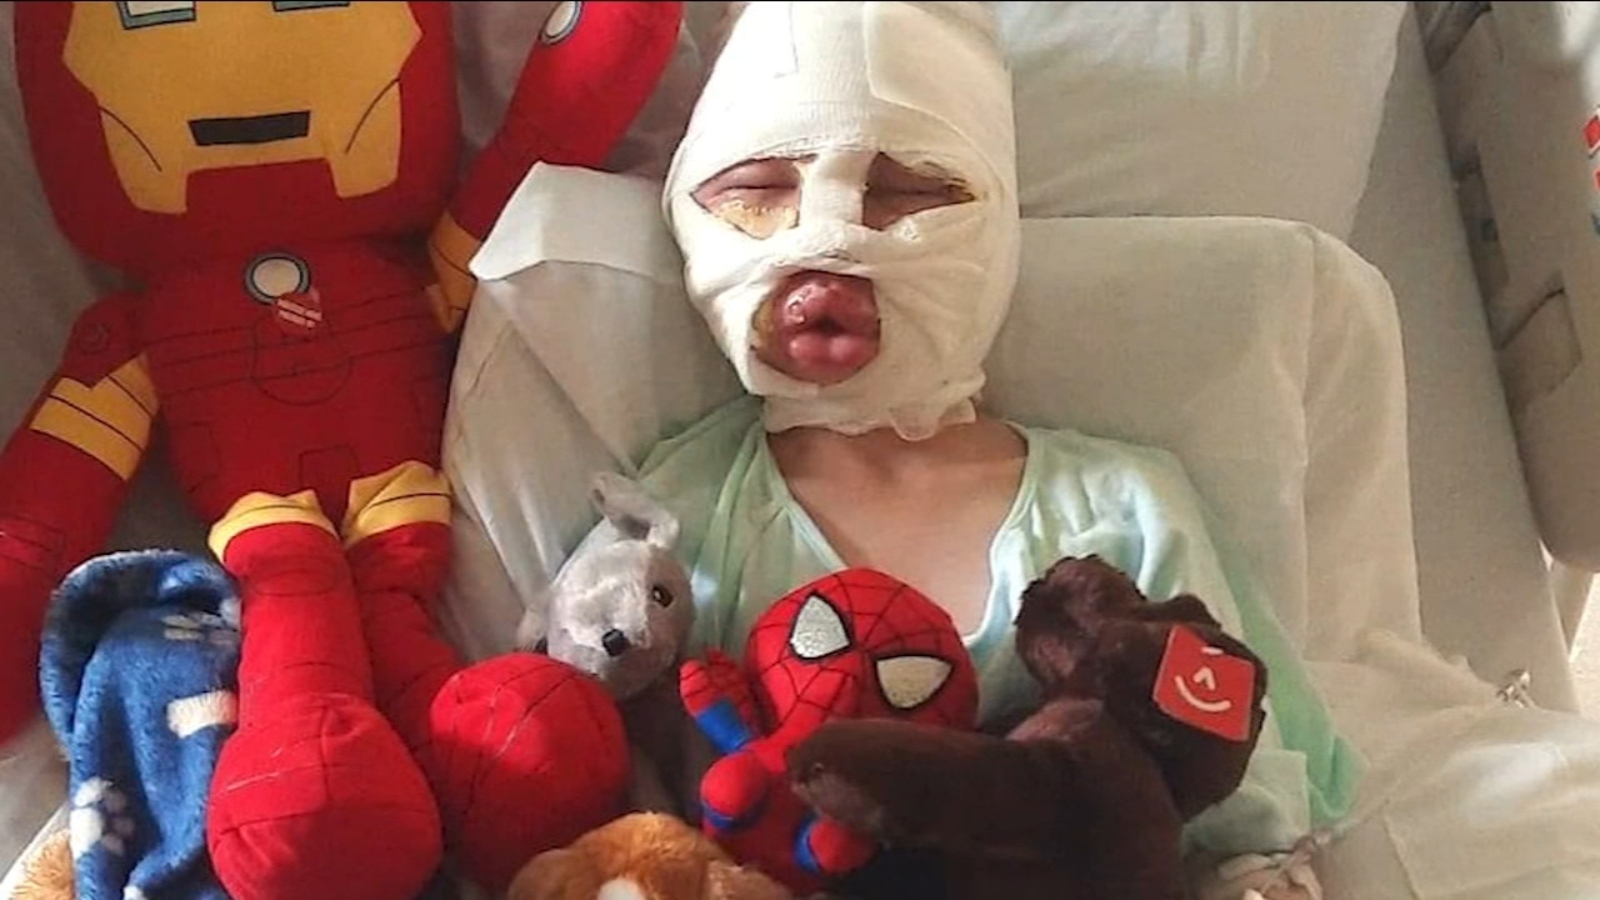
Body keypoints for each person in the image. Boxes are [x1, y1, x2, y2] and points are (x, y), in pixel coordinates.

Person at [587, 2, 1359, 897]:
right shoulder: (670, 523)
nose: (828, 233)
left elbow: (1249, 825)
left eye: (907, 193)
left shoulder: (1129, 509)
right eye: (755, 192)